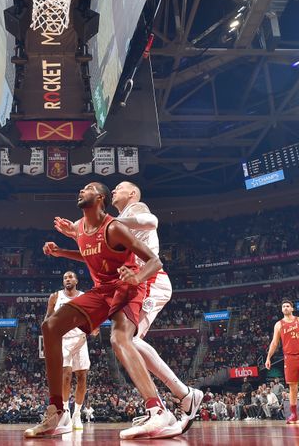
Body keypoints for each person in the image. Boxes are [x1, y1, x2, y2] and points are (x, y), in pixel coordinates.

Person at [24, 182, 179, 439]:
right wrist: (60, 252)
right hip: (101, 292)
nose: (81, 190)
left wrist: (137, 277)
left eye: (87, 188)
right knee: (50, 327)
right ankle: (57, 412)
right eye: (81, 188)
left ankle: (157, 409)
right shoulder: (82, 229)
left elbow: (155, 260)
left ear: (100, 198)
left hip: (126, 287)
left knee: (119, 339)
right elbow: (89, 254)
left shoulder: (115, 227)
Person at [54, 181, 203, 431]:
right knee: (127, 342)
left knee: (126, 340)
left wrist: (102, 224)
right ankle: (174, 400)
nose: (114, 190)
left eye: (120, 188)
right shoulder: (115, 222)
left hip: (150, 279)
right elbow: (95, 253)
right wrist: (77, 236)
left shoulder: (135, 209)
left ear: (132, 193)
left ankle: (175, 400)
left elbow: (151, 221)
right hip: (132, 283)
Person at [45, 271, 90, 431]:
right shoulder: (55, 297)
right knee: (65, 375)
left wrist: (95, 326)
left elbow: (92, 315)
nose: (68, 279)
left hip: (81, 339)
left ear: (76, 280)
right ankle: (65, 412)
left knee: (82, 377)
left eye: (70, 277)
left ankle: (77, 414)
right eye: (65, 278)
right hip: (63, 340)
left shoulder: (84, 296)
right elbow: (48, 318)